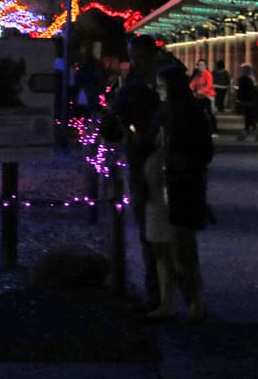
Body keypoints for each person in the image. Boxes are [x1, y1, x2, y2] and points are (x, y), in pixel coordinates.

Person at [142, 62, 213, 322]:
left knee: (181, 249)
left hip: (178, 187)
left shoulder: (188, 114)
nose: (159, 90)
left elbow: (202, 151)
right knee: (162, 246)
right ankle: (168, 302)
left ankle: (195, 302)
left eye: (162, 86)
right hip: (158, 187)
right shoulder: (163, 113)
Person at [101, 34, 163, 309]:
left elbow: (111, 126)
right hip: (172, 165)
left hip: (144, 162)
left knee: (150, 228)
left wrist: (129, 131)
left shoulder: (132, 88)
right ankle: (177, 292)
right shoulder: (168, 84)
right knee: (171, 231)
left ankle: (158, 293)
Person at [234, 63, 258, 142]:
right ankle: (250, 134)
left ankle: (249, 134)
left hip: (246, 101)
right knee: (250, 118)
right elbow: (255, 89)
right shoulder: (252, 78)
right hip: (252, 100)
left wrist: (238, 97)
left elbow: (242, 90)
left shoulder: (242, 79)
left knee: (249, 118)